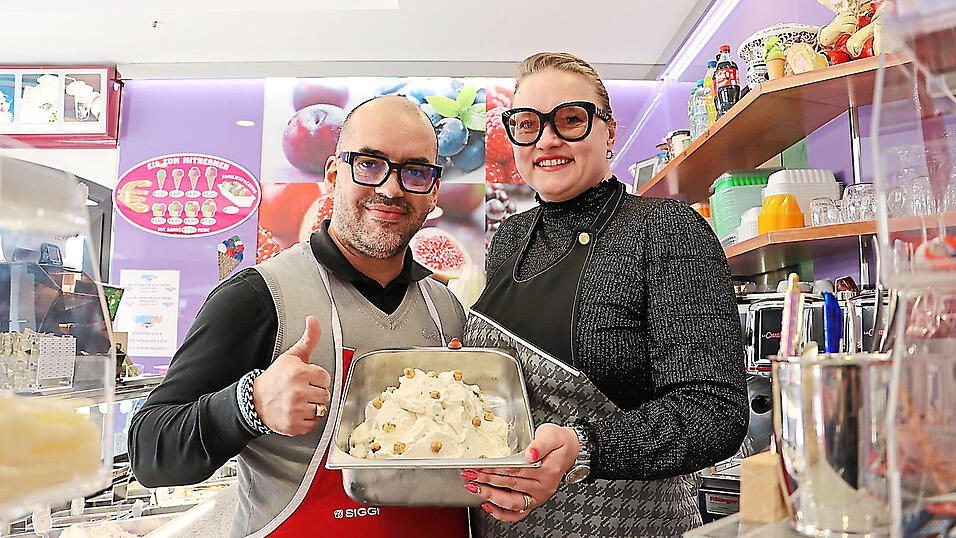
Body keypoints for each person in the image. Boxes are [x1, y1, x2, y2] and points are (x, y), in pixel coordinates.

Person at [128, 96, 469, 538]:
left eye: (415, 171)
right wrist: (249, 405)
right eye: (369, 163)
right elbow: (150, 451)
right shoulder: (256, 296)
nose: (391, 188)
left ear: (434, 190)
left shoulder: (446, 307)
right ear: (332, 174)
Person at [462, 52, 748, 537]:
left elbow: (714, 410)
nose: (548, 139)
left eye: (570, 119)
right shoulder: (509, 238)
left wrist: (586, 447)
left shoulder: (667, 231)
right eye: (527, 124)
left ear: (609, 132)